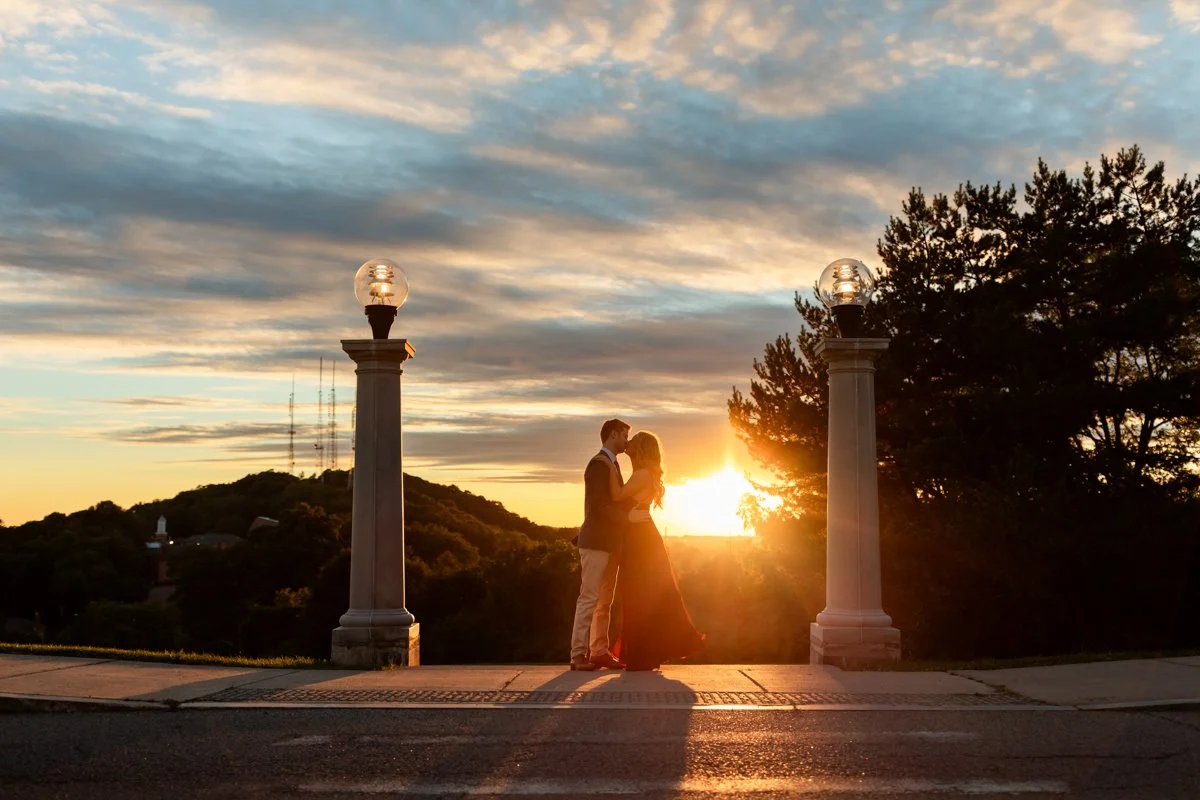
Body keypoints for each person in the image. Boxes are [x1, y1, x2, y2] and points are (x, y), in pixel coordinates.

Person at [605, 430, 705, 671]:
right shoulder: (644, 473)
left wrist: (608, 465)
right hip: (642, 536)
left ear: (640, 448)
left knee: (639, 595)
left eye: (633, 441)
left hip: (641, 540)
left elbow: (617, 495)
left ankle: (642, 655)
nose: (628, 443)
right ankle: (646, 654)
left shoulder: (641, 474)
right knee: (644, 596)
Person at [567, 419, 648, 671]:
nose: (627, 441)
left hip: (609, 543)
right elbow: (599, 507)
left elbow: (615, 500)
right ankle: (577, 655)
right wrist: (628, 517)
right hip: (595, 542)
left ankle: (599, 651)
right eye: (624, 435)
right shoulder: (598, 464)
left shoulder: (611, 464)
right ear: (613, 435)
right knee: (589, 598)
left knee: (604, 602)